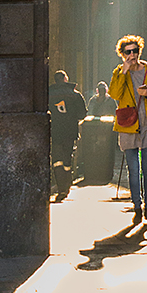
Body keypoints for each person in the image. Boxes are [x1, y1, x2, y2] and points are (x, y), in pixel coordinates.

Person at [108, 34, 147, 226]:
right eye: (128, 52)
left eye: (135, 51)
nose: (132, 55)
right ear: (122, 54)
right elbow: (114, 94)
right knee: (133, 170)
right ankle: (137, 208)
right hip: (128, 126)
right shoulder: (119, 73)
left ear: (139, 52)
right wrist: (123, 71)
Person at [48, 69, 87, 201]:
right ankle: (66, 185)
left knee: (56, 160)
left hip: (55, 131)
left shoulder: (48, 94)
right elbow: (82, 114)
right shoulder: (75, 95)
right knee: (67, 158)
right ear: (65, 79)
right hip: (70, 131)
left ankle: (61, 187)